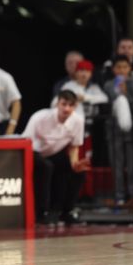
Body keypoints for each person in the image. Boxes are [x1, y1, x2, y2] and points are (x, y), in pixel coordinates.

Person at [23, 90, 89, 224]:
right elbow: (25, 143)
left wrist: (74, 163)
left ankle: (66, 211)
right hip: (33, 154)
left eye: (71, 105)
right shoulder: (40, 117)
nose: (67, 109)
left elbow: (73, 146)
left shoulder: (78, 121)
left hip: (54, 153)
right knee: (46, 166)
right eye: (64, 104)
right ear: (57, 104)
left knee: (78, 171)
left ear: (75, 107)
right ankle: (42, 212)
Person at [103, 55, 133, 205]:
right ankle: (119, 196)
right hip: (114, 130)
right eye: (118, 67)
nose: (121, 70)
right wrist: (118, 94)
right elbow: (107, 104)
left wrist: (125, 93)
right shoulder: (108, 85)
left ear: (130, 68)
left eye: (124, 67)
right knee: (117, 164)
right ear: (113, 69)